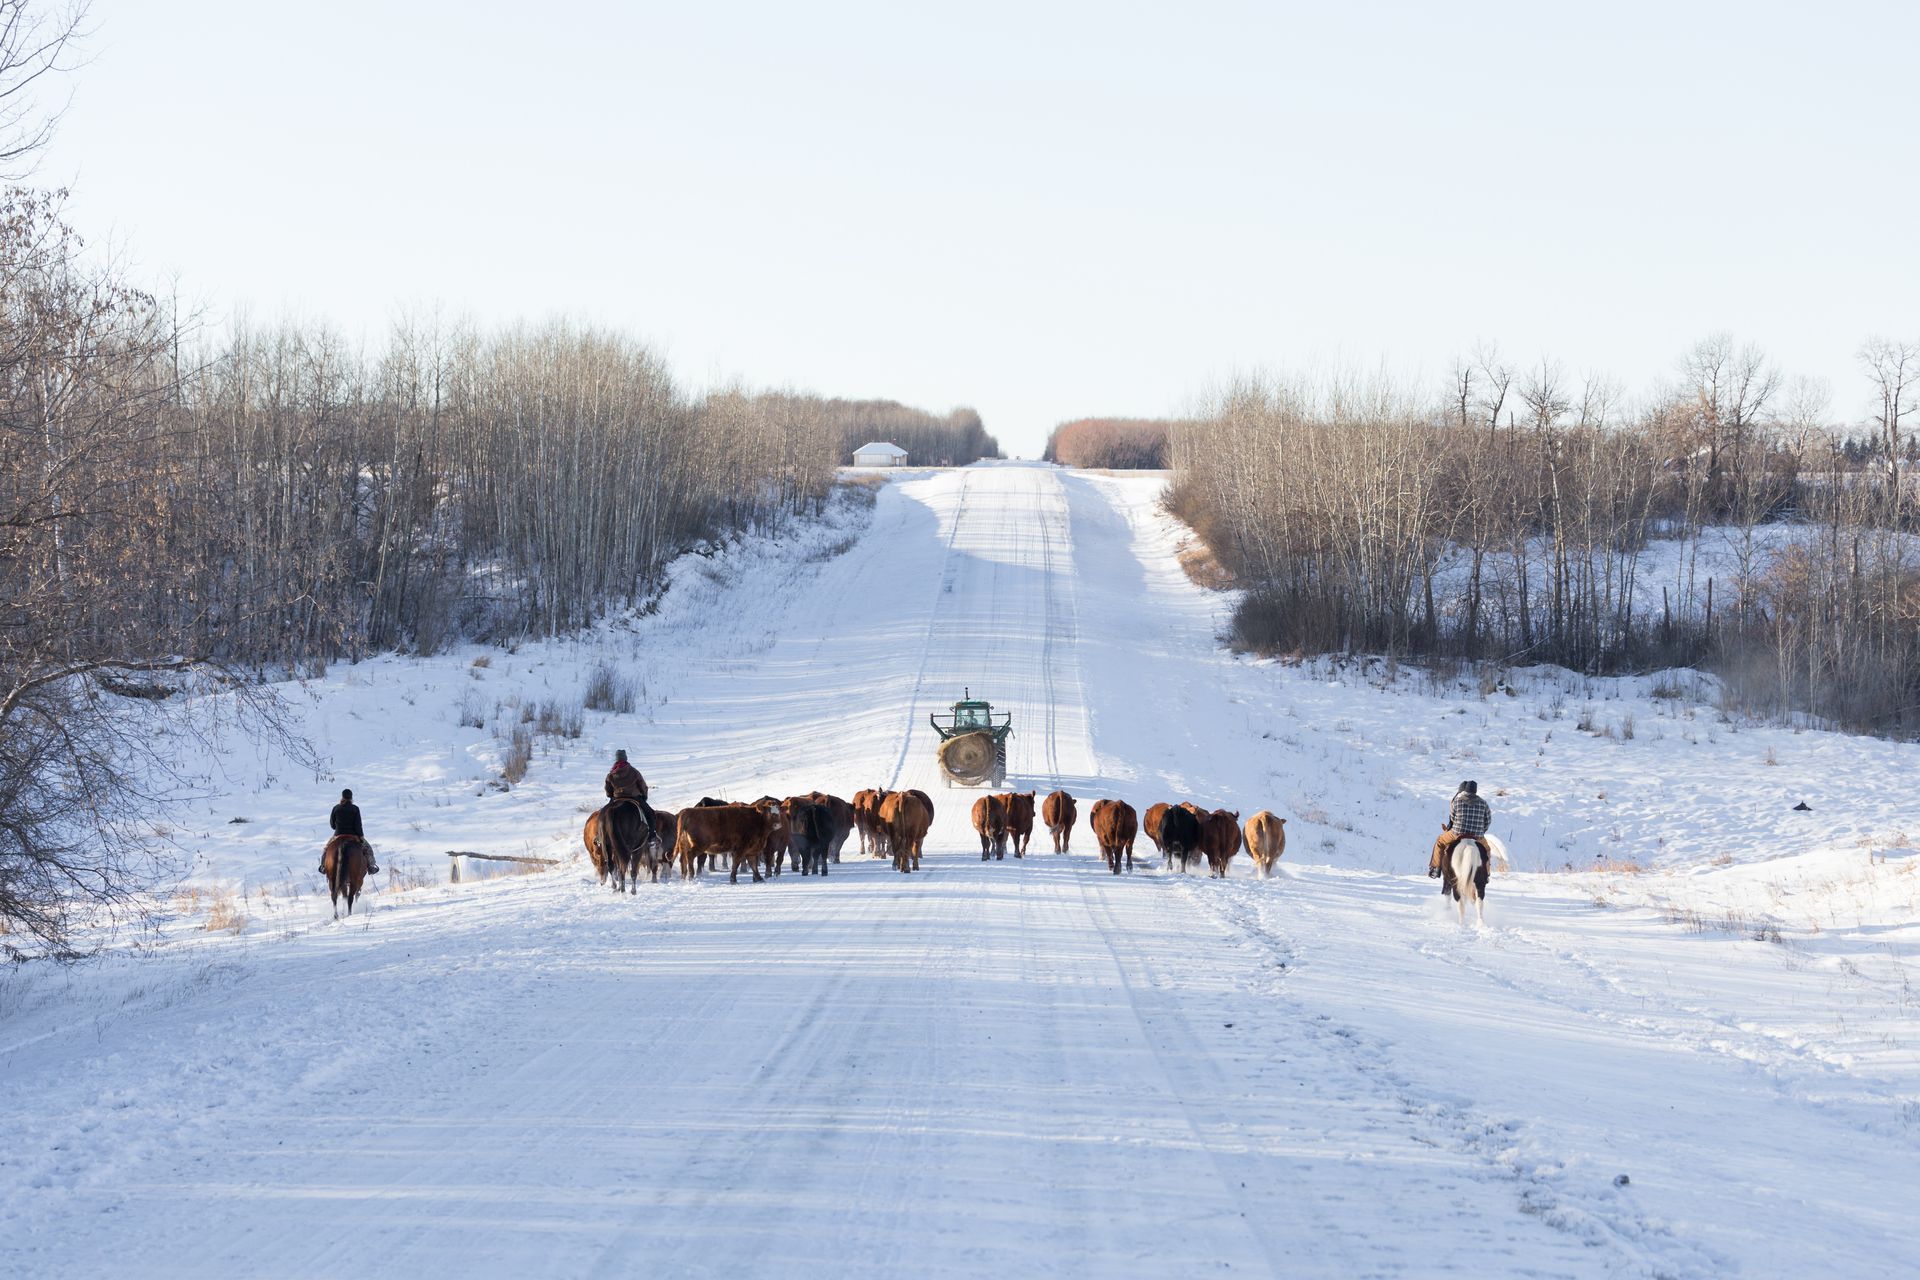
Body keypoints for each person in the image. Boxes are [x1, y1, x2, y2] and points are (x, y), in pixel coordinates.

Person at [1428, 779, 1490, 890]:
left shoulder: (1457, 800)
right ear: (1475, 791)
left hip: (1457, 833)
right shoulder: (1483, 803)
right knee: (1487, 850)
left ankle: (1435, 868)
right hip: (1477, 835)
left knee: (1440, 842)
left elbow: (1452, 817)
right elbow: (1488, 820)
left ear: (1465, 790)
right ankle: (1486, 874)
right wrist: (1481, 831)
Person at [602, 749, 658, 850]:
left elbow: (608, 789)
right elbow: (642, 785)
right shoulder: (634, 771)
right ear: (626, 758)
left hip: (616, 798)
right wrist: (644, 796)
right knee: (650, 813)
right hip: (634, 798)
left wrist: (611, 796)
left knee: (602, 814)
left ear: (616, 759)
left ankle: (600, 836)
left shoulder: (611, 773)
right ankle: (651, 836)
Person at [321, 787, 378, 875]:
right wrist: (361, 836)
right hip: (353, 835)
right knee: (368, 849)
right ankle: (371, 867)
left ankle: (323, 866)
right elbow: (358, 825)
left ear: (342, 797)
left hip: (338, 835)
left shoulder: (336, 808)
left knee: (326, 849)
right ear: (351, 798)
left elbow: (332, 825)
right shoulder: (355, 809)